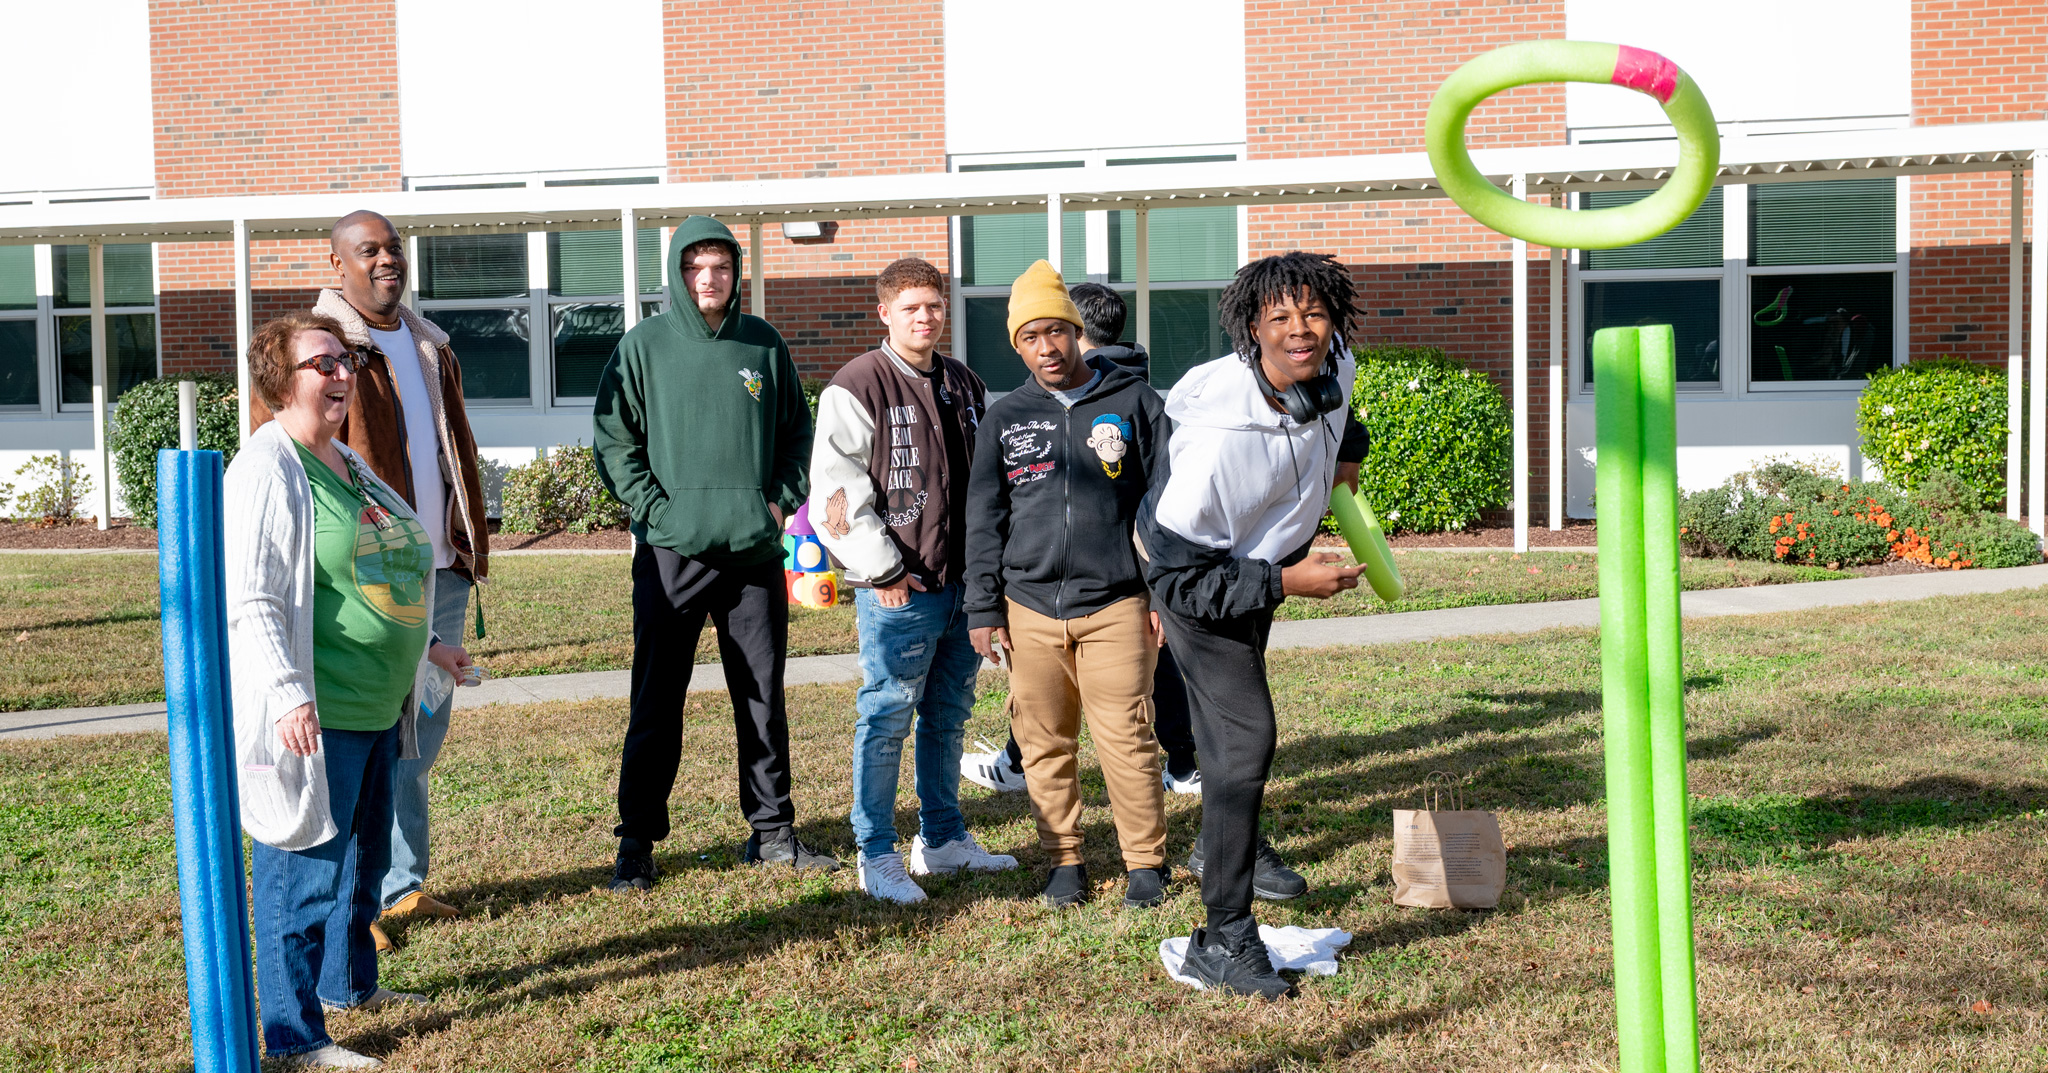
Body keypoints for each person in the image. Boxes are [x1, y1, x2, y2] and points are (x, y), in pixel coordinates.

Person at [227, 312, 475, 1069]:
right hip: (319, 709)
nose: (341, 375)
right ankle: (294, 1037)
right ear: (280, 383)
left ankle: (350, 986)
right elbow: (257, 596)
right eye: (323, 364)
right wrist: (287, 693)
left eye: (343, 362)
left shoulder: (345, 461)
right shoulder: (270, 468)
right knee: (303, 871)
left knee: (362, 864)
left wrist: (428, 646)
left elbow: (382, 566)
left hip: (376, 705)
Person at [250, 210, 493, 953]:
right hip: (357, 575)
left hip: (435, 567)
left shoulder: (428, 343)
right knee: (367, 740)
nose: (387, 260)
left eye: (394, 249)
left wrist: (463, 539)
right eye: (369, 251)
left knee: (419, 733)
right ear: (336, 261)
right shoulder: (323, 350)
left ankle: (402, 885)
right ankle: (361, 901)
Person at [1136, 251, 1369, 998]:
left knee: (1230, 741)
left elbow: (1342, 419)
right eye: (1280, 319)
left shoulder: (1333, 369)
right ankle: (1224, 938)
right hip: (1198, 579)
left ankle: (1224, 844)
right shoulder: (1216, 448)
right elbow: (1181, 577)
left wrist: (1347, 460)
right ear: (1251, 333)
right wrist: (1285, 581)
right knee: (1245, 738)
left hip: (1254, 566)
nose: (1302, 332)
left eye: (1315, 315)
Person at [592, 216, 837, 891]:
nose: (710, 278)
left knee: (761, 696)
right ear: (678, 272)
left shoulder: (761, 344)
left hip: (753, 552)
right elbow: (614, 439)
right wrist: (658, 510)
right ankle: (636, 841)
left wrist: (779, 502)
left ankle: (772, 832)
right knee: (656, 698)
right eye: (696, 266)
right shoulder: (643, 347)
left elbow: (796, 432)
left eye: (721, 266)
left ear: (735, 272)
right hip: (671, 554)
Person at [963, 262, 1174, 909]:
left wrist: (1162, 591)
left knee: (1128, 736)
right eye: (1031, 336)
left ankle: (1146, 864)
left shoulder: (1136, 404)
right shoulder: (1006, 418)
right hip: (1027, 608)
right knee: (1042, 741)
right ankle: (1065, 861)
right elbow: (984, 516)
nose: (1047, 347)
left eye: (1057, 331)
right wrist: (982, 605)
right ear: (1017, 345)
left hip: (1117, 603)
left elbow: (1169, 504)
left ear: (1078, 333)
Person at [809, 256, 1018, 904]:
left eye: (934, 305)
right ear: (884, 313)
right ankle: (876, 854)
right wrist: (883, 570)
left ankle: (944, 839)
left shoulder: (964, 382)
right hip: (901, 590)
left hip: (963, 588)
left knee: (949, 715)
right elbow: (835, 497)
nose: (925, 317)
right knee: (886, 716)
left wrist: (992, 575)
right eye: (911, 307)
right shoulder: (858, 385)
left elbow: (989, 483)